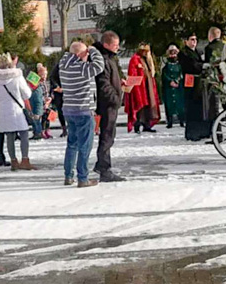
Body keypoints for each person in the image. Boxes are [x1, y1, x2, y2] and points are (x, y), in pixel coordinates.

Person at [60, 41, 105, 187]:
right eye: (86, 53)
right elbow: (99, 65)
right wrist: (93, 50)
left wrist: (80, 52)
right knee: (85, 145)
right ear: (80, 54)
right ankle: (83, 178)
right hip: (84, 111)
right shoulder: (82, 68)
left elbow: (69, 55)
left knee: (71, 144)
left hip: (69, 110)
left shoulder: (63, 65)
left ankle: (68, 176)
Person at [0, 53, 36, 171]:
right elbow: (26, 94)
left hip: (2, 110)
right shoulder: (17, 77)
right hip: (16, 109)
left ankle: (13, 161)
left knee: (9, 136)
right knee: (24, 134)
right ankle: (25, 159)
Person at [94, 31, 126, 182]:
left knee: (109, 136)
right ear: (106, 45)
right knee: (106, 136)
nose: (117, 48)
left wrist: (121, 81)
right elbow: (103, 83)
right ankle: (104, 168)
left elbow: (113, 77)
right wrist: (115, 98)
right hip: (107, 104)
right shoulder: (103, 59)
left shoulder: (110, 58)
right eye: (115, 45)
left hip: (111, 103)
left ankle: (102, 164)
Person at [179, 33, 211, 141]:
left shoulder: (197, 51)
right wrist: (201, 66)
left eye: (195, 40)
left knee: (199, 107)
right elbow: (190, 65)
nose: (194, 42)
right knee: (191, 108)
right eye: (192, 39)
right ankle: (192, 133)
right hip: (190, 82)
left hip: (199, 82)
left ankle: (201, 131)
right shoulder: (183, 53)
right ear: (186, 41)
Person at [125, 44, 161, 133]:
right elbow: (132, 73)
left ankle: (147, 125)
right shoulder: (135, 59)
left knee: (149, 105)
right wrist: (133, 87)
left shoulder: (147, 60)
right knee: (139, 106)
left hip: (148, 86)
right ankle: (137, 125)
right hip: (139, 87)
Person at [161, 45, 185, 128]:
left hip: (179, 86)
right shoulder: (166, 66)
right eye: (171, 54)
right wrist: (170, 81)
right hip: (169, 87)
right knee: (169, 104)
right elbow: (164, 75)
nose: (173, 55)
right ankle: (170, 121)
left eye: (175, 53)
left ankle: (182, 120)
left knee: (180, 104)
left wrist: (177, 80)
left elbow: (182, 74)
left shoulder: (180, 65)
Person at [29, 64, 51, 140]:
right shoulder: (38, 82)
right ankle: (39, 132)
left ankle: (44, 131)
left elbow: (47, 92)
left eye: (45, 74)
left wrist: (49, 99)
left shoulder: (45, 82)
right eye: (42, 74)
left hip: (46, 102)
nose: (44, 76)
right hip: (40, 102)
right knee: (37, 118)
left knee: (46, 119)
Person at [49, 61, 67, 137]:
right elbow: (52, 77)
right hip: (59, 92)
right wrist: (56, 87)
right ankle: (64, 129)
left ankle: (73, 129)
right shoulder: (59, 65)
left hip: (70, 91)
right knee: (60, 111)